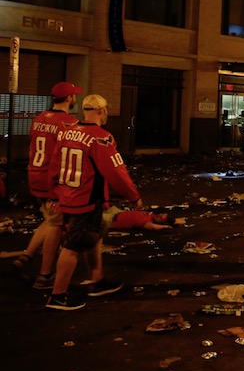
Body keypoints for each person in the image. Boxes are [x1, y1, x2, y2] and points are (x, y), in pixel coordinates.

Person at [45, 93, 141, 311]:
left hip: (68, 195)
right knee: (73, 246)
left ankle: (97, 281)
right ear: (102, 110)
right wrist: (133, 195)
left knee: (93, 239)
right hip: (86, 199)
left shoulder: (67, 132)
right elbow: (116, 171)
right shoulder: (100, 137)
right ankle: (58, 296)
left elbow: (55, 165)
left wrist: (54, 194)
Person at [13, 81, 83, 291]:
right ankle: (45, 276)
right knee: (56, 224)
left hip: (36, 175)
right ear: (70, 98)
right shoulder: (69, 123)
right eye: (74, 95)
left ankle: (27, 255)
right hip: (53, 180)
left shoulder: (39, 119)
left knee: (49, 217)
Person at [103, 205, 174, 231]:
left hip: (111, 220)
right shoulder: (152, 214)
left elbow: (153, 227)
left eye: (160, 218)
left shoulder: (148, 223)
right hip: (116, 211)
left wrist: (165, 227)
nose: (159, 215)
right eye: (161, 214)